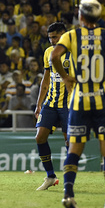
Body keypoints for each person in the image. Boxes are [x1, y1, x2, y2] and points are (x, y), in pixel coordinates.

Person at [51, 0, 105, 208]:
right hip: (103, 100)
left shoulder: (71, 35)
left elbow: (54, 56)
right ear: (99, 17)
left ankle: (68, 194)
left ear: (80, 16)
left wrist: (66, 77)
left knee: (74, 150)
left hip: (79, 101)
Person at [34, 22, 71, 191]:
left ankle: (70, 179)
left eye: (55, 37)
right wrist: (39, 103)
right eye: (50, 38)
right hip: (50, 102)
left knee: (70, 142)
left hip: (69, 105)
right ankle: (50, 176)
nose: (52, 41)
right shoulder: (48, 52)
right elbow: (46, 78)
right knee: (40, 137)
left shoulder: (75, 52)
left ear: (64, 34)